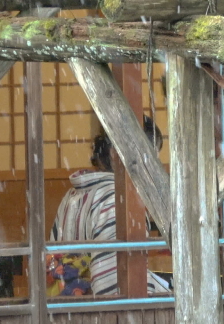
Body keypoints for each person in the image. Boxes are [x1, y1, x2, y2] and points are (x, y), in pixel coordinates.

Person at [49, 116, 171, 296]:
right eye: (149, 158)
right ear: (115, 153)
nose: (153, 169)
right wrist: (166, 291)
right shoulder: (118, 199)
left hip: (66, 311)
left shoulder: (72, 196)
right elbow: (114, 285)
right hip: (100, 317)